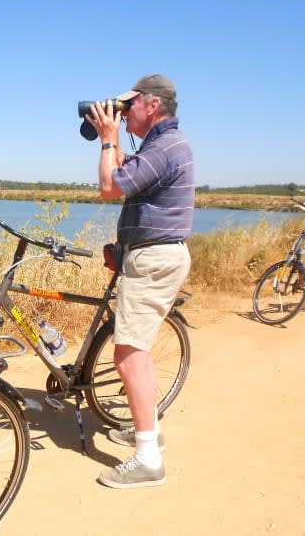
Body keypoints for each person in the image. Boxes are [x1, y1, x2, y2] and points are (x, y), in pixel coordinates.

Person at [85, 74, 194, 489]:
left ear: (153, 104)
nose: (123, 111)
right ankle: (145, 425)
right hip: (147, 254)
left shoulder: (165, 146)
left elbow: (110, 188)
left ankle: (148, 458)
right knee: (135, 349)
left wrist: (108, 138)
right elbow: (128, 187)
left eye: (129, 105)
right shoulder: (160, 145)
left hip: (154, 260)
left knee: (129, 355)